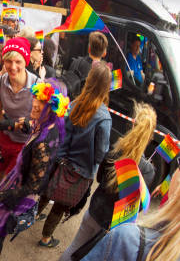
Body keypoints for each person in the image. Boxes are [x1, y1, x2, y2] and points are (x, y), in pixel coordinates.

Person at [0, 79, 69, 261]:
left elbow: (33, 186)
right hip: (14, 181)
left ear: (53, 108)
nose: (36, 104)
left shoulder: (43, 145)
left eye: (43, 102)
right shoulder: (45, 123)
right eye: (36, 98)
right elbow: (28, 125)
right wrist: (6, 125)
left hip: (20, 192)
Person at [60, 102, 156, 261]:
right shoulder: (148, 171)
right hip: (111, 226)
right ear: (151, 135)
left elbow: (99, 178)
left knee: (74, 247)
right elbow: (137, 206)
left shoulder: (115, 150)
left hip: (94, 210)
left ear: (132, 124)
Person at [37, 63, 112, 248]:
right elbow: (100, 154)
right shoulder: (104, 117)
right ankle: (46, 237)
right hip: (81, 171)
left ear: (89, 80)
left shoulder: (74, 103)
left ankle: (33, 215)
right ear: (106, 87)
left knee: (47, 192)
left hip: (60, 160)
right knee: (61, 204)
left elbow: (64, 133)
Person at [82, 158, 180, 261]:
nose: (174, 172)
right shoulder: (148, 170)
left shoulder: (126, 237)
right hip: (108, 222)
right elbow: (140, 206)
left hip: (96, 208)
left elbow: (99, 175)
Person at [0, 37, 38, 186]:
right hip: (5, 137)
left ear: (26, 62)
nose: (13, 66)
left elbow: (45, 120)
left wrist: (32, 123)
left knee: (8, 183)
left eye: (18, 62)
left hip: (24, 143)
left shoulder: (37, 85)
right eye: (8, 61)